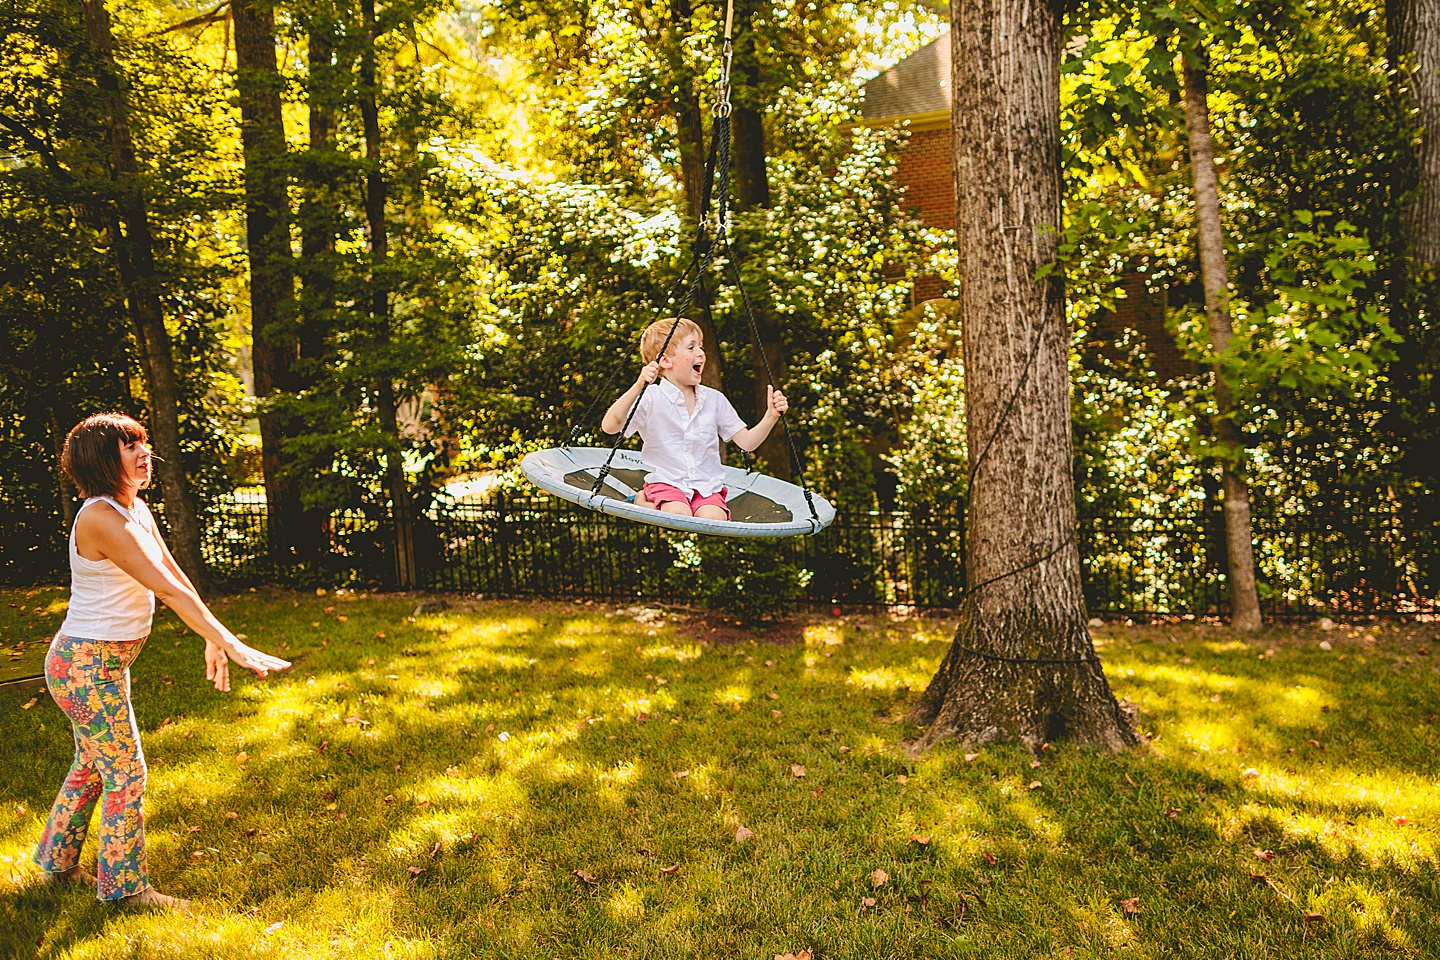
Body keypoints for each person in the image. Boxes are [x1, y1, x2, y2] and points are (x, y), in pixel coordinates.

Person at [32, 413, 290, 910]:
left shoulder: (137, 509)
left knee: (92, 765)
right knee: (126, 772)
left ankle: (54, 865)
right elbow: (166, 590)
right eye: (130, 447)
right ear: (103, 461)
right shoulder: (99, 516)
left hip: (103, 665)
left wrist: (213, 637)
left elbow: (176, 574)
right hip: (83, 666)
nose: (143, 452)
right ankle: (127, 891)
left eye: (143, 443)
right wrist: (229, 642)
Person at [600, 317, 788, 519]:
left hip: (706, 487)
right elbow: (610, 426)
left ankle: (670, 506)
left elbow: (747, 442)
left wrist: (771, 415)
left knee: (714, 519)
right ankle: (641, 501)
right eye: (691, 347)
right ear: (665, 360)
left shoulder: (714, 400)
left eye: (701, 346)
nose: (700, 353)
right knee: (678, 513)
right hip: (667, 483)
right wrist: (638, 386)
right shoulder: (650, 397)